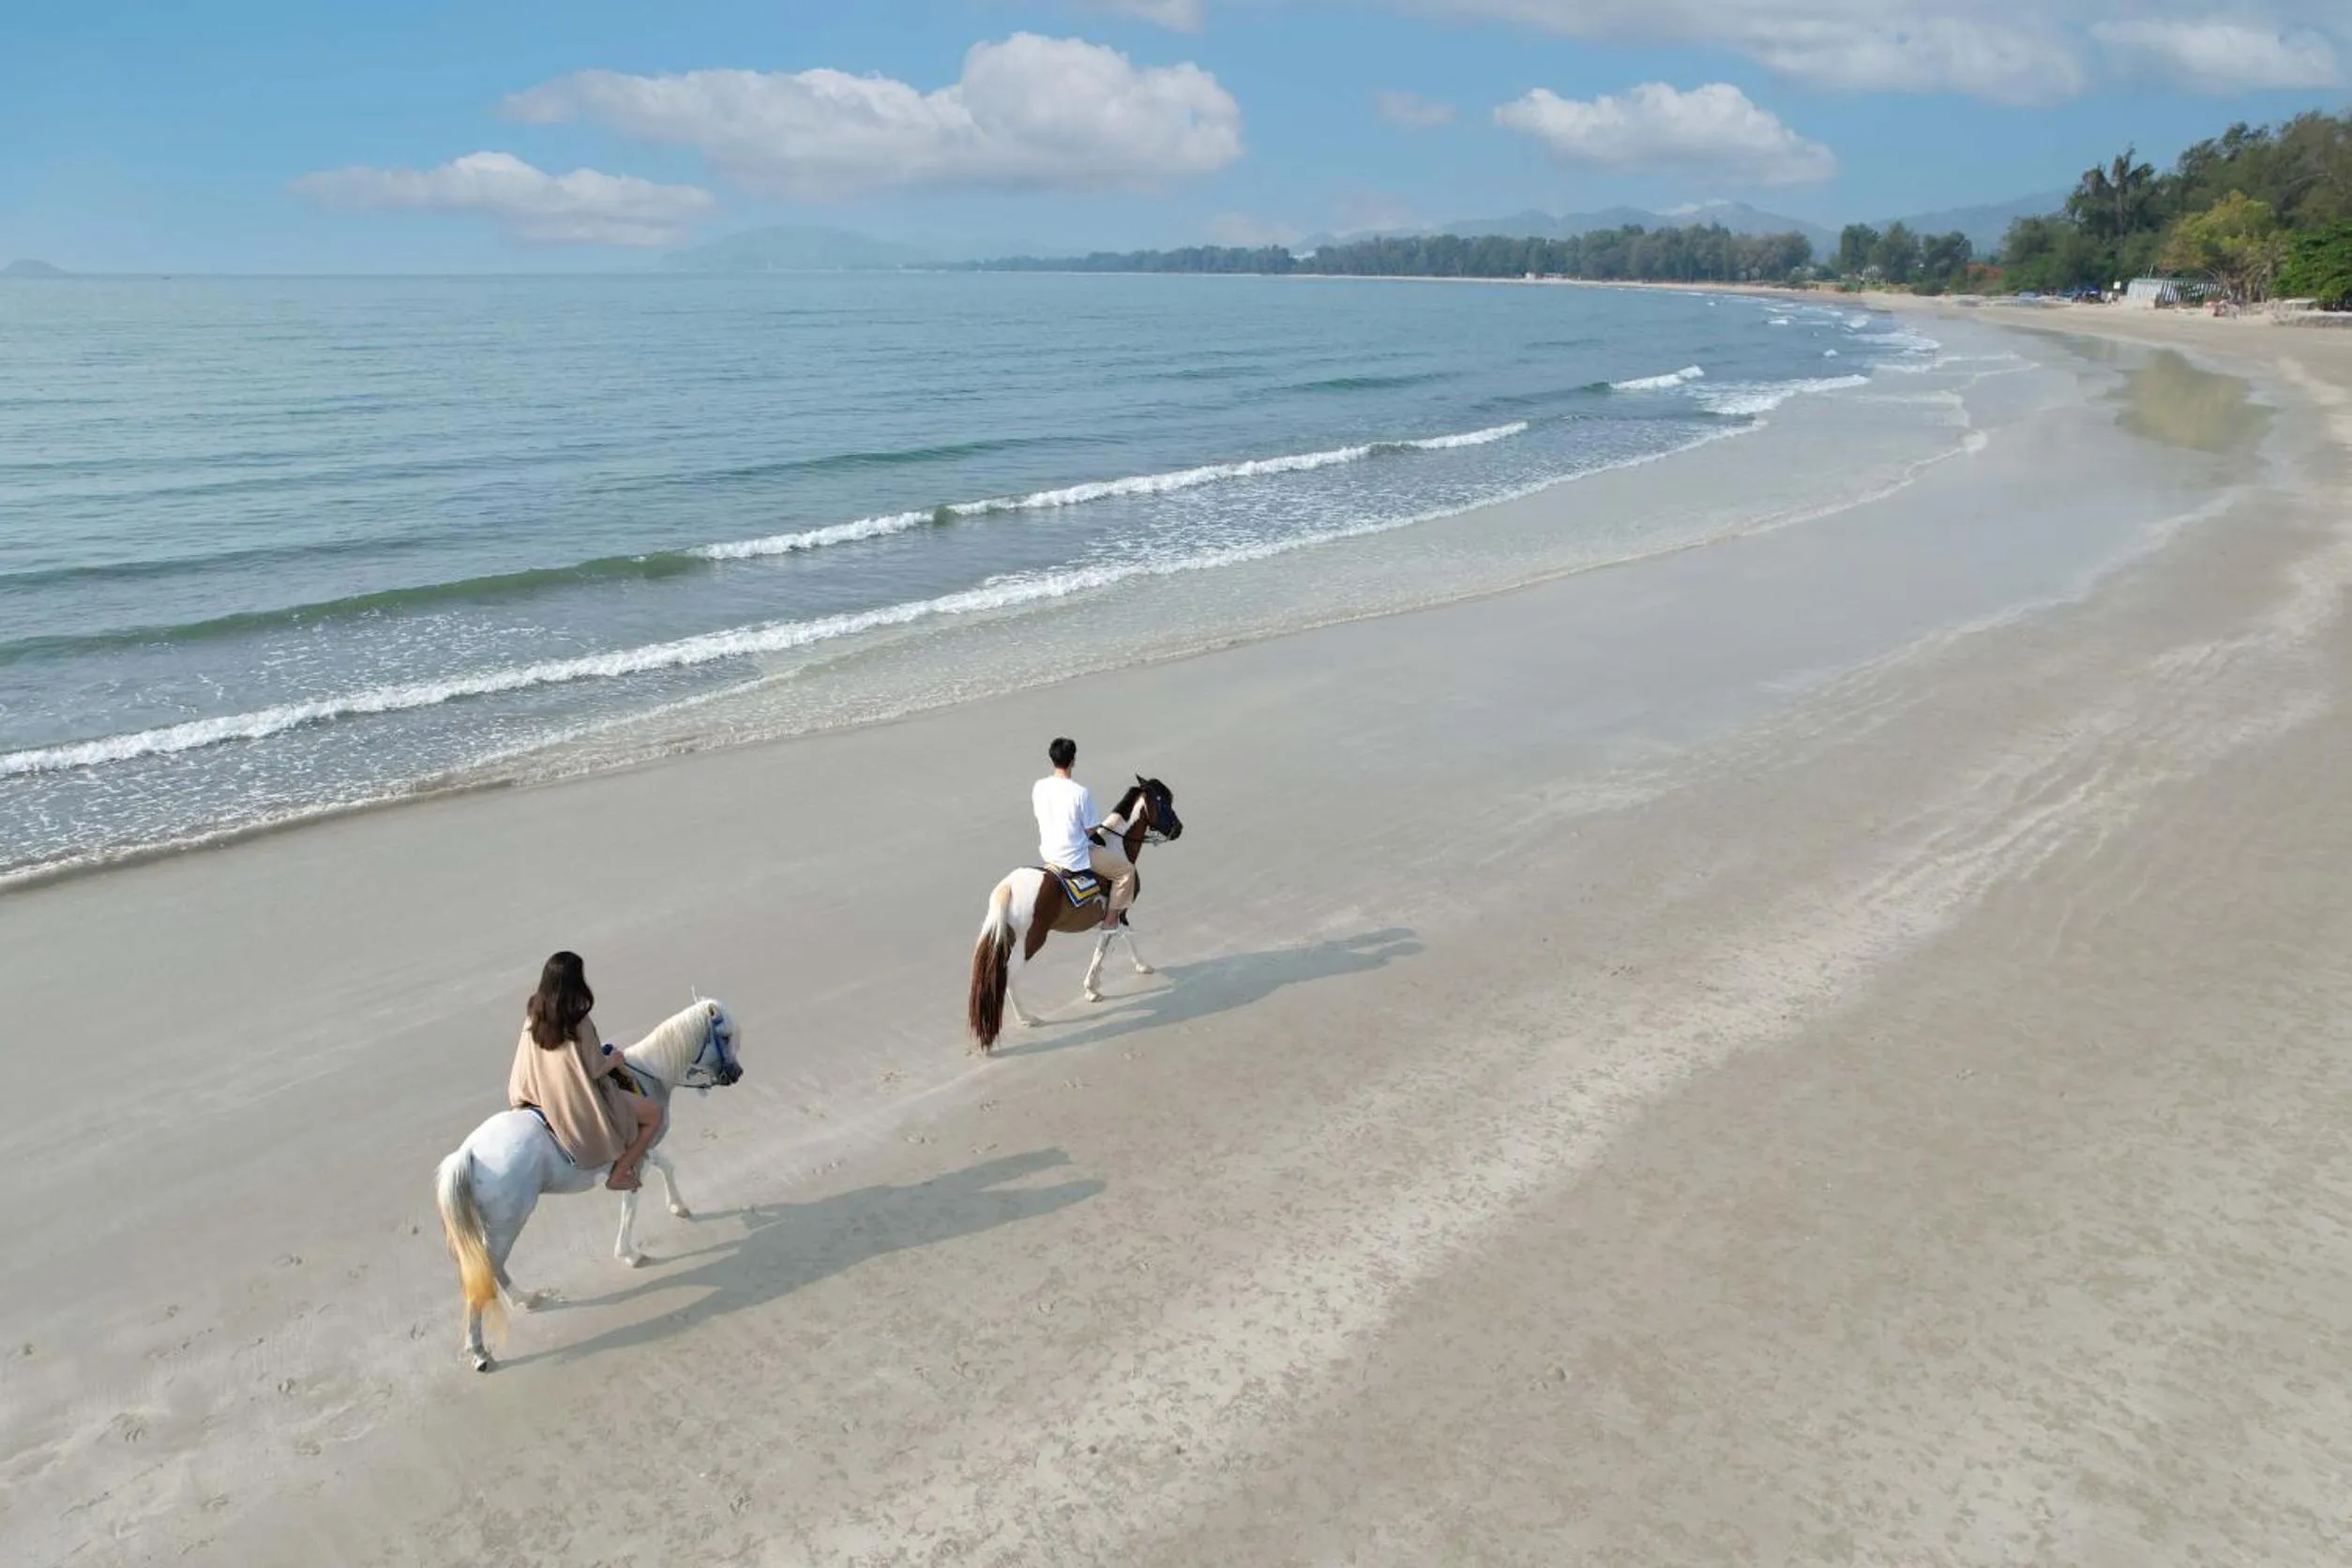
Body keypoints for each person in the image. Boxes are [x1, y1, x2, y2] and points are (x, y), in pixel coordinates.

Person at [507, 951, 663, 1192]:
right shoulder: (579, 1020)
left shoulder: (534, 1011)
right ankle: (619, 1175)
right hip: (575, 1098)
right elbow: (595, 1069)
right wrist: (613, 1059)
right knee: (654, 1115)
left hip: (539, 1091)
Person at [1033, 737, 1130, 931]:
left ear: (1052, 759)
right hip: (1074, 856)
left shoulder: (1039, 786)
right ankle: (1111, 921)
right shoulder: (1081, 793)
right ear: (1073, 760)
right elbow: (1090, 830)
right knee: (1126, 872)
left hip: (1048, 852)